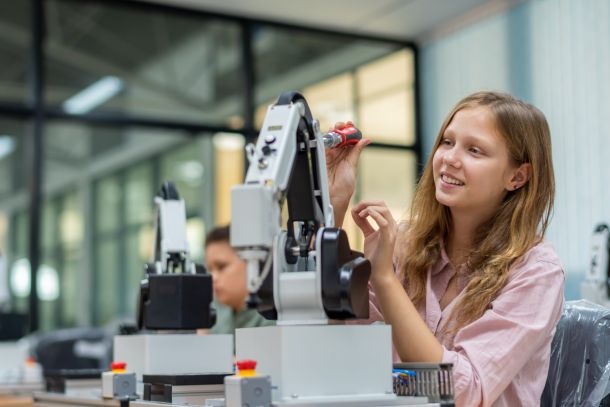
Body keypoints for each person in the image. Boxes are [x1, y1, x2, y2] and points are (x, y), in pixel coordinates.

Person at [326, 91, 564, 406]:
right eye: (447, 142)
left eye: (475, 150)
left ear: (517, 176)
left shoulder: (536, 270)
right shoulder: (404, 244)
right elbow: (341, 333)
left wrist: (384, 279)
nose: (449, 158)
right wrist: (334, 205)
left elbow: (463, 393)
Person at [204, 225, 274, 336]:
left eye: (221, 267)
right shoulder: (218, 324)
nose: (213, 277)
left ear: (252, 262)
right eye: (210, 269)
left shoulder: (272, 321)